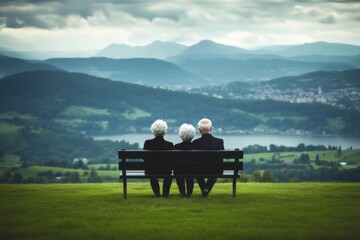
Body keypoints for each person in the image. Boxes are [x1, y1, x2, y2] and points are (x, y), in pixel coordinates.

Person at [193, 118, 224, 197]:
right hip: (215, 170)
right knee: (216, 169)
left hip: (200, 170)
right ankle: (206, 189)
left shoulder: (196, 142)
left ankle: (204, 188)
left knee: (197, 171)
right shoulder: (219, 141)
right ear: (210, 129)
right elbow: (222, 157)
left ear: (199, 129)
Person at [143, 119, 174, 197]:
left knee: (151, 171)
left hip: (151, 171)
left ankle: (157, 193)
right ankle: (165, 194)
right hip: (166, 171)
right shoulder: (169, 145)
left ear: (153, 130)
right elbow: (172, 160)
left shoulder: (147, 143)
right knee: (168, 174)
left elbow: (144, 158)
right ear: (165, 131)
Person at [174, 123, 196, 198]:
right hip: (193, 170)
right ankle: (189, 193)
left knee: (178, 171)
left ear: (181, 135)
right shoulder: (196, 147)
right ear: (192, 135)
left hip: (179, 171)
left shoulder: (176, 147)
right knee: (190, 172)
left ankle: (182, 192)